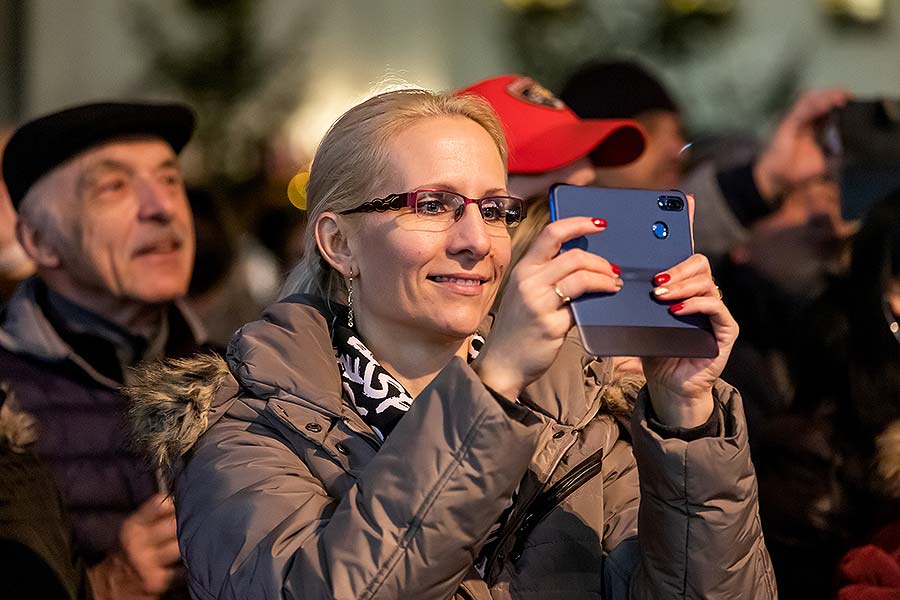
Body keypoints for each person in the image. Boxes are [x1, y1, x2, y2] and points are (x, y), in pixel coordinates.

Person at [128, 87, 774, 599]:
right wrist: (490, 391)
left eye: (495, 209)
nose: (474, 239)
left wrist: (685, 419)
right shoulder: (249, 419)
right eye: (433, 204)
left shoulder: (583, 409)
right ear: (338, 243)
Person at [0, 101, 206, 599]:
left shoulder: (247, 374)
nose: (162, 207)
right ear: (40, 241)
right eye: (114, 186)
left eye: (170, 179)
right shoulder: (5, 399)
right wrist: (108, 586)